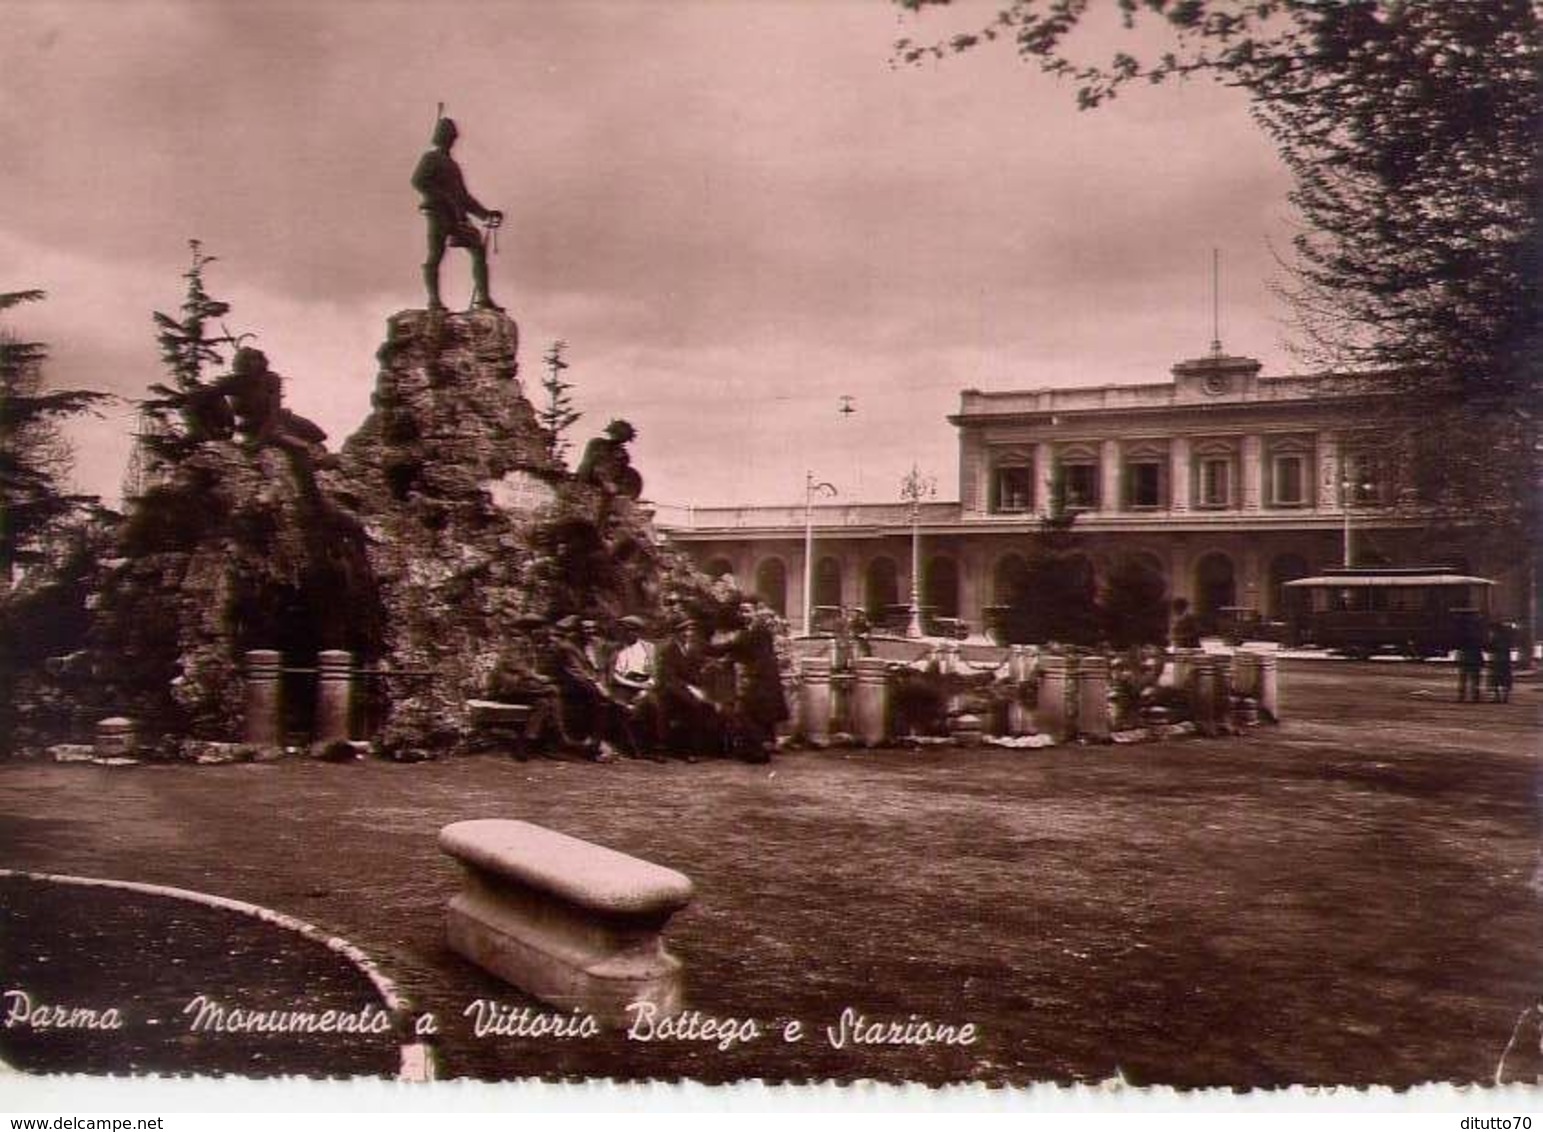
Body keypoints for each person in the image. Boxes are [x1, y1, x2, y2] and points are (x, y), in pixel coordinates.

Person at [411, 116, 503, 312]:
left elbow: (464, 197)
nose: (451, 140)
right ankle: (434, 301)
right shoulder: (431, 158)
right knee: (435, 255)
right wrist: (442, 197)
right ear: (441, 137)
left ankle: (484, 298)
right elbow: (418, 181)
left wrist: (485, 214)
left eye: (452, 137)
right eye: (448, 136)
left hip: (457, 217)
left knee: (477, 248)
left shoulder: (452, 166)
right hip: (438, 213)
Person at [721, 603, 789, 763]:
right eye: (742, 611)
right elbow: (740, 651)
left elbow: (738, 646)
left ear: (755, 613)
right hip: (760, 678)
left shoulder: (758, 631)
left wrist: (710, 649)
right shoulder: (749, 631)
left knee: (748, 712)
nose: (744, 615)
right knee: (759, 715)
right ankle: (756, 748)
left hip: (763, 679)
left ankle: (758, 751)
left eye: (748, 611)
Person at [1455, 610, 1485, 703]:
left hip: (1466, 657)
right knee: (1474, 679)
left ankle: (1462, 696)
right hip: (1474, 657)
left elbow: (1459, 644)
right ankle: (1475, 696)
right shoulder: (1478, 631)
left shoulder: (1463, 631)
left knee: (1463, 678)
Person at [1488, 620, 1516, 703]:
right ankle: (1505, 697)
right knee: (1505, 679)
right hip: (1506, 660)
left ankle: (1497, 697)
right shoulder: (1507, 637)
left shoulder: (1495, 637)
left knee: (1496, 679)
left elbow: (1491, 647)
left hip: (1497, 660)